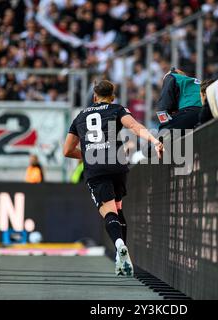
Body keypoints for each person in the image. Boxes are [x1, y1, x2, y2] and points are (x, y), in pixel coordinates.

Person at [63, 80, 163, 276]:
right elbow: (134, 126)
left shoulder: (79, 117)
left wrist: (89, 153)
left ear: (94, 96)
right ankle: (121, 258)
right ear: (112, 96)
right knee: (118, 207)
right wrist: (154, 140)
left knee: (109, 212)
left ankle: (119, 245)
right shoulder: (117, 109)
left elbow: (67, 150)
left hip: (96, 169)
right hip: (117, 165)